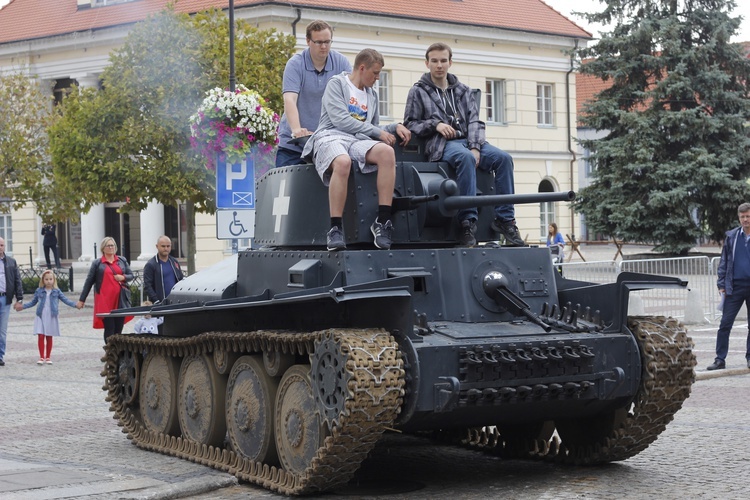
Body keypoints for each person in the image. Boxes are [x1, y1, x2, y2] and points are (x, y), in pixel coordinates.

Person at [403, 42, 525, 247]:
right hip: (442, 144)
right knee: (466, 158)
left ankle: (505, 219)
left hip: (470, 140)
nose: (439, 65)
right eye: (434, 61)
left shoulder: (463, 91)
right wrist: (436, 125)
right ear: (427, 63)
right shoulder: (418, 91)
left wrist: (476, 146)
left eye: (443, 60)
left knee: (504, 159)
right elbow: (410, 123)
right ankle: (467, 222)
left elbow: (475, 122)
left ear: (450, 62)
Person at [301, 48, 411, 251]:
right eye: (375, 73)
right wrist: (378, 133)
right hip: (331, 135)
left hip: (356, 140)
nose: (377, 78)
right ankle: (335, 229)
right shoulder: (337, 84)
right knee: (342, 162)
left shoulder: (372, 95)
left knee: (386, 153)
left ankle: (383, 221)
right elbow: (341, 121)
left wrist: (394, 127)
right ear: (362, 68)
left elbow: (372, 127)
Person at [275, 20, 352, 168]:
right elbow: (289, 99)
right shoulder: (295, 64)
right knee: (284, 188)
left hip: (327, 144)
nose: (324, 46)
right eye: (319, 42)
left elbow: (352, 97)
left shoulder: (341, 63)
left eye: (327, 42)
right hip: (294, 145)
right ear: (308, 41)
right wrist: (297, 129)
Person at [707, 202, 750, 371]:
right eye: (742, 217)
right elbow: (724, 261)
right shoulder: (732, 236)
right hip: (735, 286)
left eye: (748, 216)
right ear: (738, 218)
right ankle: (720, 359)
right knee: (725, 323)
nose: (745, 220)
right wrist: (721, 283)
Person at [76, 237, 134, 343]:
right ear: (103, 248)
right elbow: (89, 282)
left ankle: (117, 354)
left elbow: (131, 275)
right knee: (109, 328)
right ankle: (109, 353)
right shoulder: (97, 263)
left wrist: (123, 277)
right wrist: (81, 300)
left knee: (118, 328)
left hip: (120, 299)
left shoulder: (122, 260)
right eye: (109, 245)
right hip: (105, 301)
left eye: (113, 245)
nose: (111, 247)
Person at [21, 269, 78, 364]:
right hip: (41, 315)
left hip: (51, 315)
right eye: (46, 279)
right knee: (40, 335)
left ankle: (48, 357)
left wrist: (76, 305)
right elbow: (33, 302)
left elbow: (66, 300)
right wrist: (22, 307)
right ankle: (41, 357)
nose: (48, 281)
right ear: (43, 280)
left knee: (49, 336)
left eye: (50, 279)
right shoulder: (39, 291)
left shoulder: (56, 291)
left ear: (54, 280)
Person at [0, 236, 24, 366]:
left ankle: (0, 356)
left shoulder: (11, 262)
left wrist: (19, 299)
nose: (0, 247)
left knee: (2, 331)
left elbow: (17, 281)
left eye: (2, 245)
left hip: (5, 299)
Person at [143, 235, 184, 304]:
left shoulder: (174, 262)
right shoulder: (151, 264)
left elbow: (180, 279)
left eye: (168, 246)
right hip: (159, 304)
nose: (166, 248)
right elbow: (147, 285)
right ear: (157, 246)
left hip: (175, 302)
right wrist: (156, 301)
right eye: (163, 246)